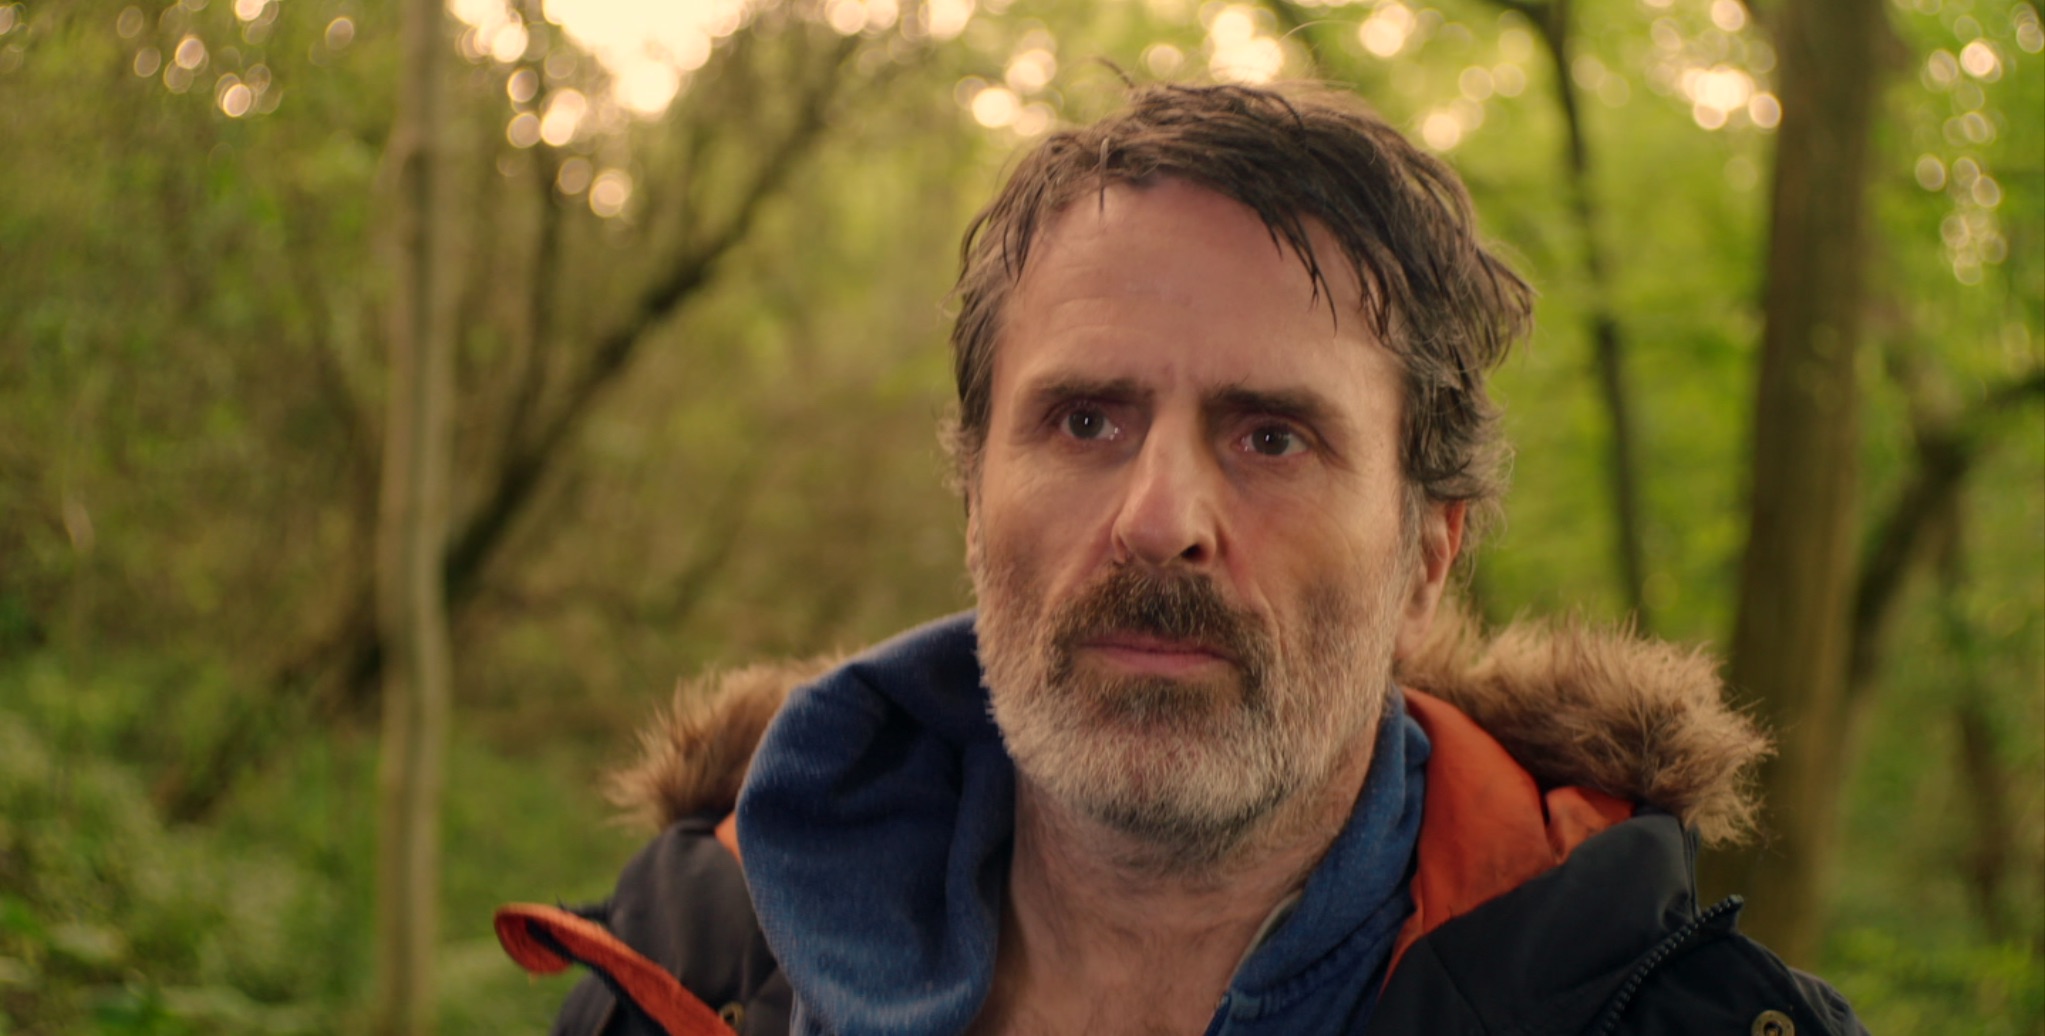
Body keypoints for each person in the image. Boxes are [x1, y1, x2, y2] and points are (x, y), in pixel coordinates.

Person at [497, 81, 1867, 1036]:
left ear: (1426, 553)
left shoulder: (1679, 1019)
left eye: (1272, 437)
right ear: (974, 498)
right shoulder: (691, 968)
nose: (1160, 519)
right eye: (1086, 420)